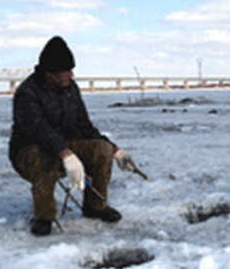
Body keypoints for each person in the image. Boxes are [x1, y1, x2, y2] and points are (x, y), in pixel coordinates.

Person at [9, 36, 136, 236]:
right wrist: (65, 153)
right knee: (44, 155)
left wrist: (114, 149)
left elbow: (85, 127)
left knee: (100, 149)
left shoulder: (70, 89)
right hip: (28, 153)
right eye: (66, 71)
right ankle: (44, 216)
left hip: (65, 147)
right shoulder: (27, 93)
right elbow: (39, 131)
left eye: (71, 69)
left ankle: (96, 207)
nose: (71, 75)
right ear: (50, 73)